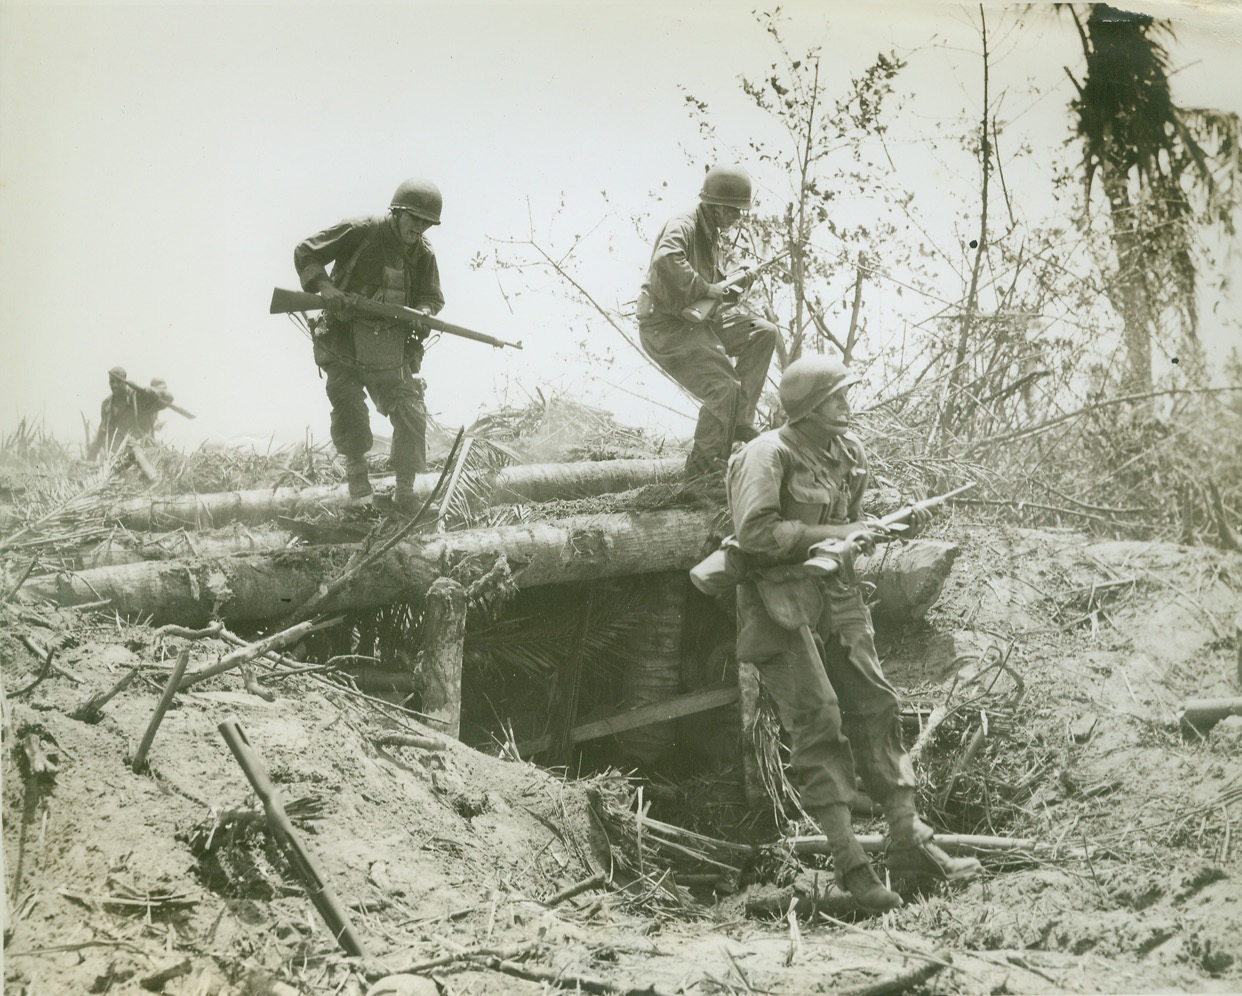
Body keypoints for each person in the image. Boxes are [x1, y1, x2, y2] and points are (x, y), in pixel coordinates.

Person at [726, 354, 982, 911]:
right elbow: (756, 534)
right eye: (836, 398)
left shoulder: (849, 454)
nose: (847, 405)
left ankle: (907, 843)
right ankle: (850, 867)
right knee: (818, 720)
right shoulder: (766, 454)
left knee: (875, 706)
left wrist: (872, 533)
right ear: (811, 408)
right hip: (777, 600)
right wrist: (838, 531)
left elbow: (851, 526)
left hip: (837, 594)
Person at [294, 178, 446, 513]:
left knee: (409, 409)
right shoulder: (361, 230)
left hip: (390, 346)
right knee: (347, 403)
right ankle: (358, 482)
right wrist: (324, 287)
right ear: (397, 212)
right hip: (343, 339)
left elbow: (432, 297)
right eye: (414, 219)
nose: (419, 228)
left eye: (426, 223)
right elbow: (306, 251)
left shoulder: (423, 254)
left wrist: (423, 312)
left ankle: (405, 490)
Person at [636, 165, 777, 496]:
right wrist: (705, 286)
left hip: (695, 323)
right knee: (723, 385)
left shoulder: (711, 234)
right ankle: (700, 476)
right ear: (716, 205)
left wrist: (738, 282)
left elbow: (712, 296)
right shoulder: (684, 225)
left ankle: (740, 419)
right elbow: (666, 260)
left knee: (764, 332)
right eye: (733, 212)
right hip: (665, 328)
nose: (737, 219)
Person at [88, 366, 138, 458]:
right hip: (113, 456)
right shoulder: (106, 405)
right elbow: (102, 432)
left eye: (119, 381)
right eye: (112, 381)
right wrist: (91, 456)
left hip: (133, 454)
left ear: (125, 382)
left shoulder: (134, 400)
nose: (115, 385)